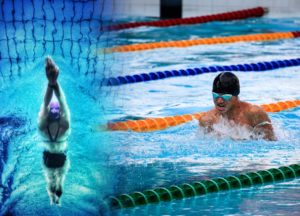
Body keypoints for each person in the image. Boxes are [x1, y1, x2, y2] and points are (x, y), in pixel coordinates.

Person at [199, 72, 276, 141]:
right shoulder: (207, 120)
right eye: (215, 95)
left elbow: (271, 141)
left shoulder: (253, 113)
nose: (219, 101)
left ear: (236, 96)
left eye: (225, 96)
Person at [38, 56, 71, 204]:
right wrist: (54, 83)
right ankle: (59, 196)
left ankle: (52, 199)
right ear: (59, 114)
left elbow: (45, 103)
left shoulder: (42, 127)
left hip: (48, 159)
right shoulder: (65, 127)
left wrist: (50, 82)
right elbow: (62, 101)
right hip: (61, 158)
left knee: (49, 181)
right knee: (60, 180)